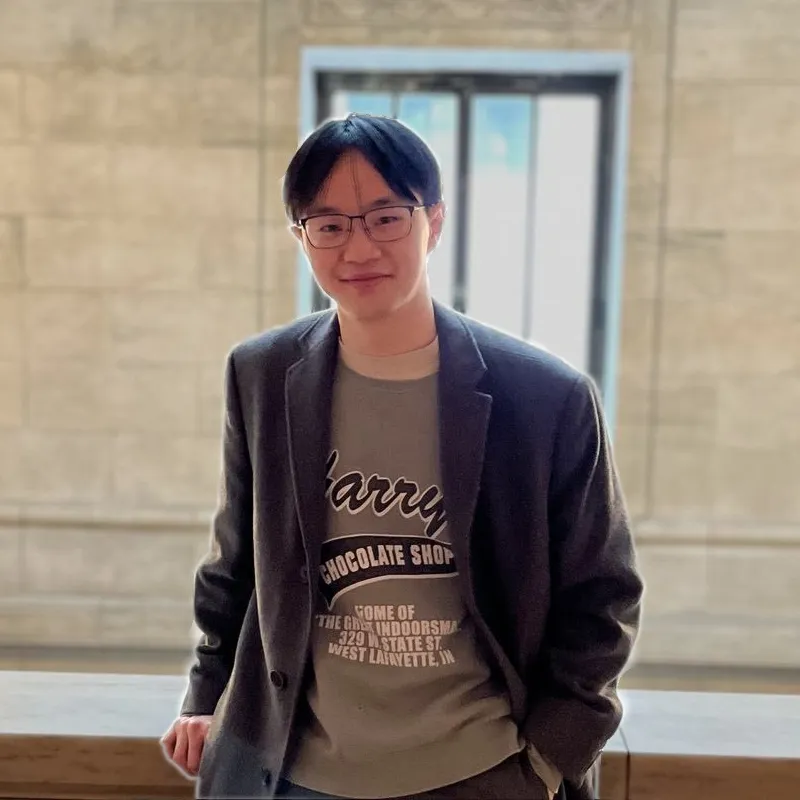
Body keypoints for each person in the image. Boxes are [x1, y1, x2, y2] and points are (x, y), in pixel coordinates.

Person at [161, 112, 644, 800]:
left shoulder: (545, 396)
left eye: (386, 217)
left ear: (434, 222)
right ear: (301, 239)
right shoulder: (262, 374)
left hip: (479, 772)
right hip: (294, 775)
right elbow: (235, 564)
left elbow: (603, 595)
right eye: (328, 226)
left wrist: (543, 760)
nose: (357, 249)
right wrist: (204, 696)